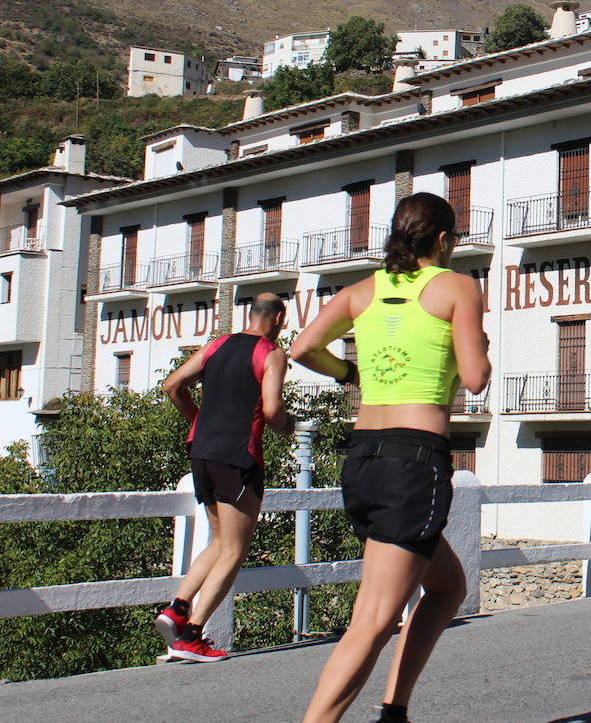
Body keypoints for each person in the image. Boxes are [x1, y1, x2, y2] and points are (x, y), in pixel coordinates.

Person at [291, 193, 490, 723]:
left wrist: (351, 374)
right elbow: (474, 377)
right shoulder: (457, 288)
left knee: (447, 586)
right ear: (445, 240)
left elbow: (303, 346)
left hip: (364, 459)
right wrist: (480, 346)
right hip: (415, 461)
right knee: (374, 620)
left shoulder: (362, 291)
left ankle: (394, 711)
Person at [156, 293, 290, 662]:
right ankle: (192, 636)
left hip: (201, 452)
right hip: (237, 456)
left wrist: (199, 421)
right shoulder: (272, 353)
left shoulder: (217, 345)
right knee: (235, 548)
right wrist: (287, 426)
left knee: (219, 539)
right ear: (278, 318)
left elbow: (172, 385)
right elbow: (273, 407)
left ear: (251, 314)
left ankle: (177, 608)